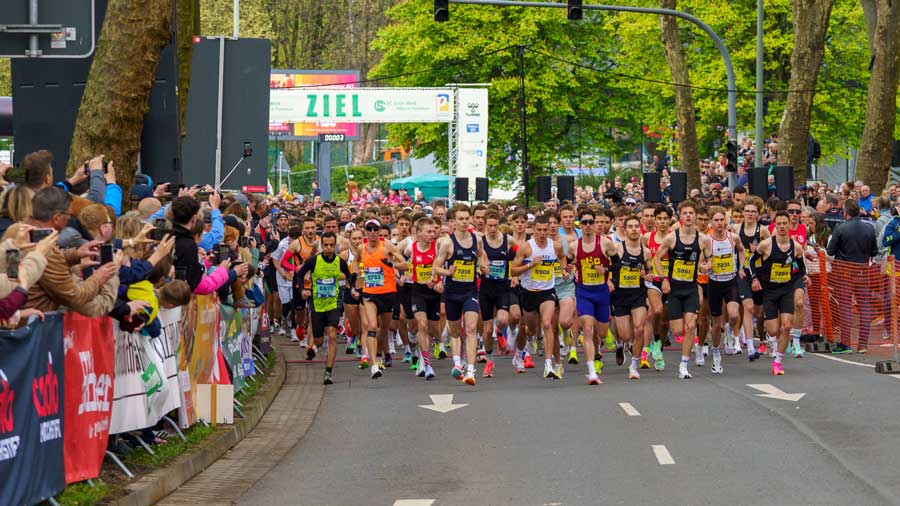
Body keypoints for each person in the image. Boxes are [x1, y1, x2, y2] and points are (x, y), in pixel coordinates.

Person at [654, 200, 712, 380]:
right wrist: (664, 279)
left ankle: (684, 364)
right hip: (674, 288)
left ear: (695, 216)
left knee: (691, 325)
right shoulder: (672, 237)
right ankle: (664, 345)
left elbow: (711, 260)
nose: (688, 216)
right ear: (680, 216)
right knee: (678, 330)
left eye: (691, 213)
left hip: (691, 288)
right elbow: (656, 258)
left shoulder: (703, 239)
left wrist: (706, 267)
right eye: (685, 213)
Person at [433, 205, 488, 385]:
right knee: (456, 331)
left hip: (470, 291)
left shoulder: (476, 239)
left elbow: (481, 255)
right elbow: (436, 267)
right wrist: (447, 273)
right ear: (454, 222)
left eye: (467, 219)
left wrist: (482, 266)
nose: (465, 222)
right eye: (461, 219)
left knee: (471, 328)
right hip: (452, 293)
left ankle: (471, 371)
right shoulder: (447, 243)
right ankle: (458, 363)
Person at [748, 211, 809, 375]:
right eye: (779, 224)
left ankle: (778, 362)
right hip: (770, 291)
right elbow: (751, 261)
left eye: (785, 223)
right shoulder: (766, 245)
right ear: (775, 225)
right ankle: (771, 338)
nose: (782, 227)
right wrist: (754, 279)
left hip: (787, 289)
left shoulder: (795, 246)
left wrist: (804, 276)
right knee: (774, 330)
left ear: (789, 225)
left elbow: (800, 265)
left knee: (787, 325)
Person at [511, 215, 567, 380]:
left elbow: (562, 257)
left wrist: (563, 269)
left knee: (548, 324)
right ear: (533, 230)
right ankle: (520, 351)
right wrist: (530, 265)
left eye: (545, 230)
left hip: (547, 292)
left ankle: (548, 364)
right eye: (539, 230)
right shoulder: (526, 247)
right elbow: (513, 270)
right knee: (530, 329)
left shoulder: (555, 246)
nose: (543, 233)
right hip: (528, 292)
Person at [296, 232, 354, 385]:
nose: (328, 248)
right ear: (321, 245)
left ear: (335, 246)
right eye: (326, 245)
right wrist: (303, 289)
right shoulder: (314, 261)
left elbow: (349, 276)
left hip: (333, 304)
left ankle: (328, 372)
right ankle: (314, 344)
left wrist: (353, 289)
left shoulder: (340, 262)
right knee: (320, 341)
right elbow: (300, 274)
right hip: (317, 305)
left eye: (331, 245)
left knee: (333, 335)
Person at [569, 208, 618, 384]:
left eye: (591, 222)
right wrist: (569, 269)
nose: (588, 225)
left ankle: (608, 340)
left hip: (602, 292)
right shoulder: (575, 246)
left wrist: (605, 269)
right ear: (580, 225)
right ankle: (592, 372)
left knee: (602, 332)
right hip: (584, 292)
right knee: (588, 329)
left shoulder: (605, 243)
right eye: (585, 222)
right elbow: (567, 262)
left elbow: (618, 265)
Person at [355, 218, 407, 379]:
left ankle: (378, 353)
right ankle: (374, 366)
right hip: (370, 293)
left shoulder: (387, 246)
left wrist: (392, 265)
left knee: (384, 329)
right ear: (365, 231)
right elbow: (356, 263)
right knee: (371, 326)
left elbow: (405, 264)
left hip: (388, 292)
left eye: (375, 229)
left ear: (379, 231)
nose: (372, 232)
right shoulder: (361, 248)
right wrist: (357, 278)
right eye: (369, 229)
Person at [826, 199, 878, 353]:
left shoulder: (840, 228)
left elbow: (830, 252)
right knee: (865, 307)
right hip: (863, 272)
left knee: (845, 308)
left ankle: (846, 343)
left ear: (845, 212)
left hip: (845, 273)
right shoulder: (870, 228)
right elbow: (874, 252)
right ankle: (863, 344)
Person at [609, 215, 652, 379]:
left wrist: (647, 276)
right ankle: (621, 344)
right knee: (627, 335)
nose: (634, 229)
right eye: (630, 227)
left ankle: (634, 365)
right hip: (620, 294)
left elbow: (649, 272)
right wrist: (609, 281)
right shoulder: (617, 249)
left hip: (638, 293)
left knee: (639, 329)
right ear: (625, 230)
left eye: (636, 226)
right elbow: (609, 266)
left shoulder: (646, 252)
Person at [705, 206, 745, 374]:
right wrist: (704, 266)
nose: (720, 223)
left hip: (731, 281)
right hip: (714, 283)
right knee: (715, 325)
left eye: (723, 220)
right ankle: (716, 353)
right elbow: (702, 261)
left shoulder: (733, 237)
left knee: (734, 314)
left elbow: (742, 250)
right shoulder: (706, 240)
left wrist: (741, 267)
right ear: (711, 222)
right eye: (717, 220)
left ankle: (730, 330)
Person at [477, 210, 515, 379]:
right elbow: (474, 260)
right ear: (485, 225)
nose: (492, 229)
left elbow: (519, 257)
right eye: (489, 225)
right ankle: (490, 360)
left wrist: (515, 274)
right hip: (485, 288)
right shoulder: (480, 242)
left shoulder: (508, 240)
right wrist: (479, 268)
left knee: (503, 319)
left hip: (502, 287)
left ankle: (499, 333)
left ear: (499, 224)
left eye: (495, 225)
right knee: (486, 329)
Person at [407, 217, 442, 380]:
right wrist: (403, 273)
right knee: (422, 324)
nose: (432, 234)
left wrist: (439, 281)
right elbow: (398, 257)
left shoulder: (439, 246)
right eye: (428, 231)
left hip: (434, 292)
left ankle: (426, 352)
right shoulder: (411, 248)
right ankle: (426, 364)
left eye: (434, 231)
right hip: (418, 291)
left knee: (433, 330)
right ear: (418, 233)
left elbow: (444, 267)